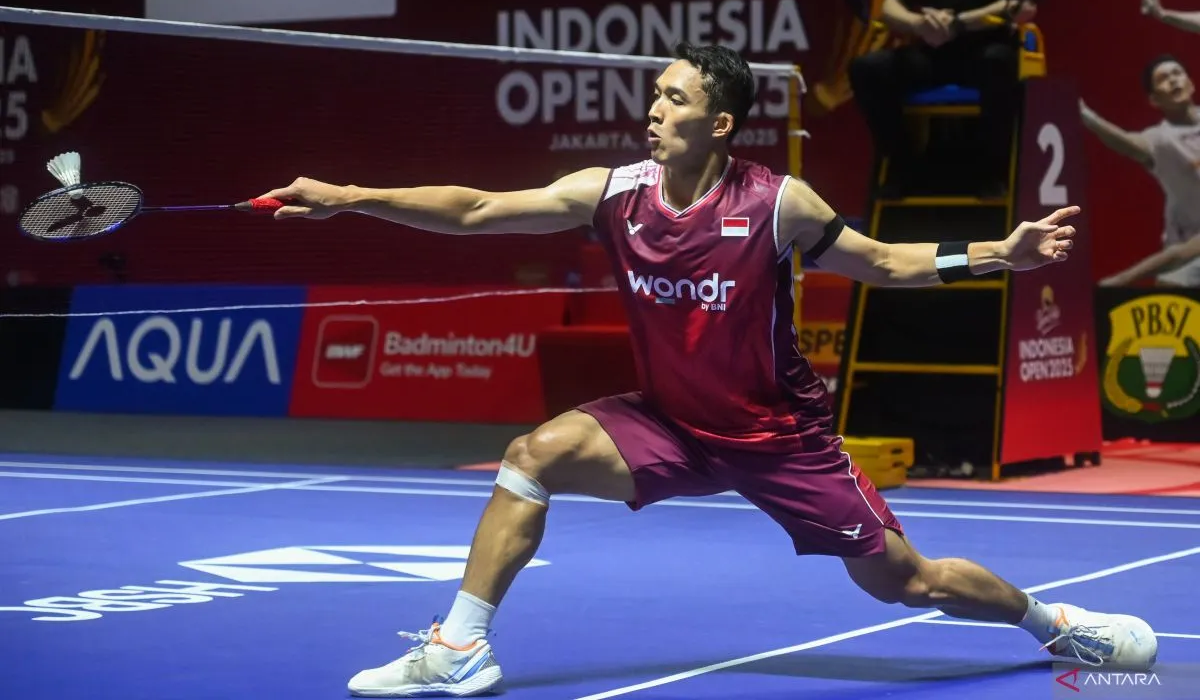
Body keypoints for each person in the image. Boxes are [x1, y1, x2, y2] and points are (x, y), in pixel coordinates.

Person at [260, 42, 1156, 698]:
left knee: (905, 581)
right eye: (655, 94)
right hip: (670, 424)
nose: (653, 109)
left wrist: (999, 252)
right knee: (532, 456)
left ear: (719, 123)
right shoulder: (615, 194)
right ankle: (460, 649)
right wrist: (349, 198)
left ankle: (1054, 625)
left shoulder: (777, 204)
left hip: (780, 438)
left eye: (674, 98)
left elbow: (884, 263)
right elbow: (478, 210)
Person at [848, 0, 1035, 197]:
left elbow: (1021, 4)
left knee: (1000, 64)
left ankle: (991, 173)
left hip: (984, 53)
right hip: (932, 55)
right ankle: (903, 165)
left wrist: (959, 23)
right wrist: (918, 23)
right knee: (867, 68)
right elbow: (889, 6)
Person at [1080, 55, 1200, 287]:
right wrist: (1087, 116)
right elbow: (1127, 144)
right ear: (1154, 99)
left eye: (1177, 73)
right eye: (1163, 78)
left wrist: (1120, 281)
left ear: (1191, 84)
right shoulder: (1160, 140)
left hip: (1184, 254)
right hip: (1182, 251)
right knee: (1168, 293)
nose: (1173, 80)